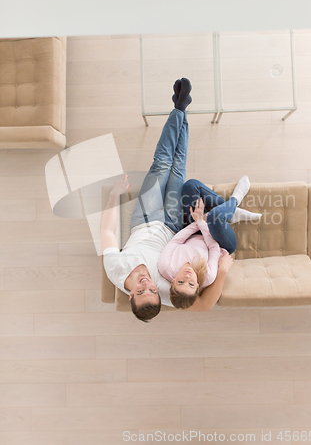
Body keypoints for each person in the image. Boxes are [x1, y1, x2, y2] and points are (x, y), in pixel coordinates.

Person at [101, 78, 234, 322]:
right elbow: (203, 306)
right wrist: (222, 272)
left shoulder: (115, 272)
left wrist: (114, 194)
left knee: (161, 163)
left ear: (130, 295)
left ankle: (179, 108)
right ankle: (181, 109)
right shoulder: (164, 292)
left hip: (143, 220)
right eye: (151, 290)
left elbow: (108, 231)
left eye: (141, 291)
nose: (147, 285)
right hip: (172, 225)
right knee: (178, 170)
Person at [158, 176, 262, 309]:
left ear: (172, 282)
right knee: (214, 216)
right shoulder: (208, 276)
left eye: (181, 282)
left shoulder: (165, 266)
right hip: (220, 242)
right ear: (197, 287)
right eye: (190, 284)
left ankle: (232, 211)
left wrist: (198, 222)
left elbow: (176, 240)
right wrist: (202, 221)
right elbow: (213, 247)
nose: (187, 277)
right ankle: (236, 198)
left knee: (191, 186)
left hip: (193, 230)